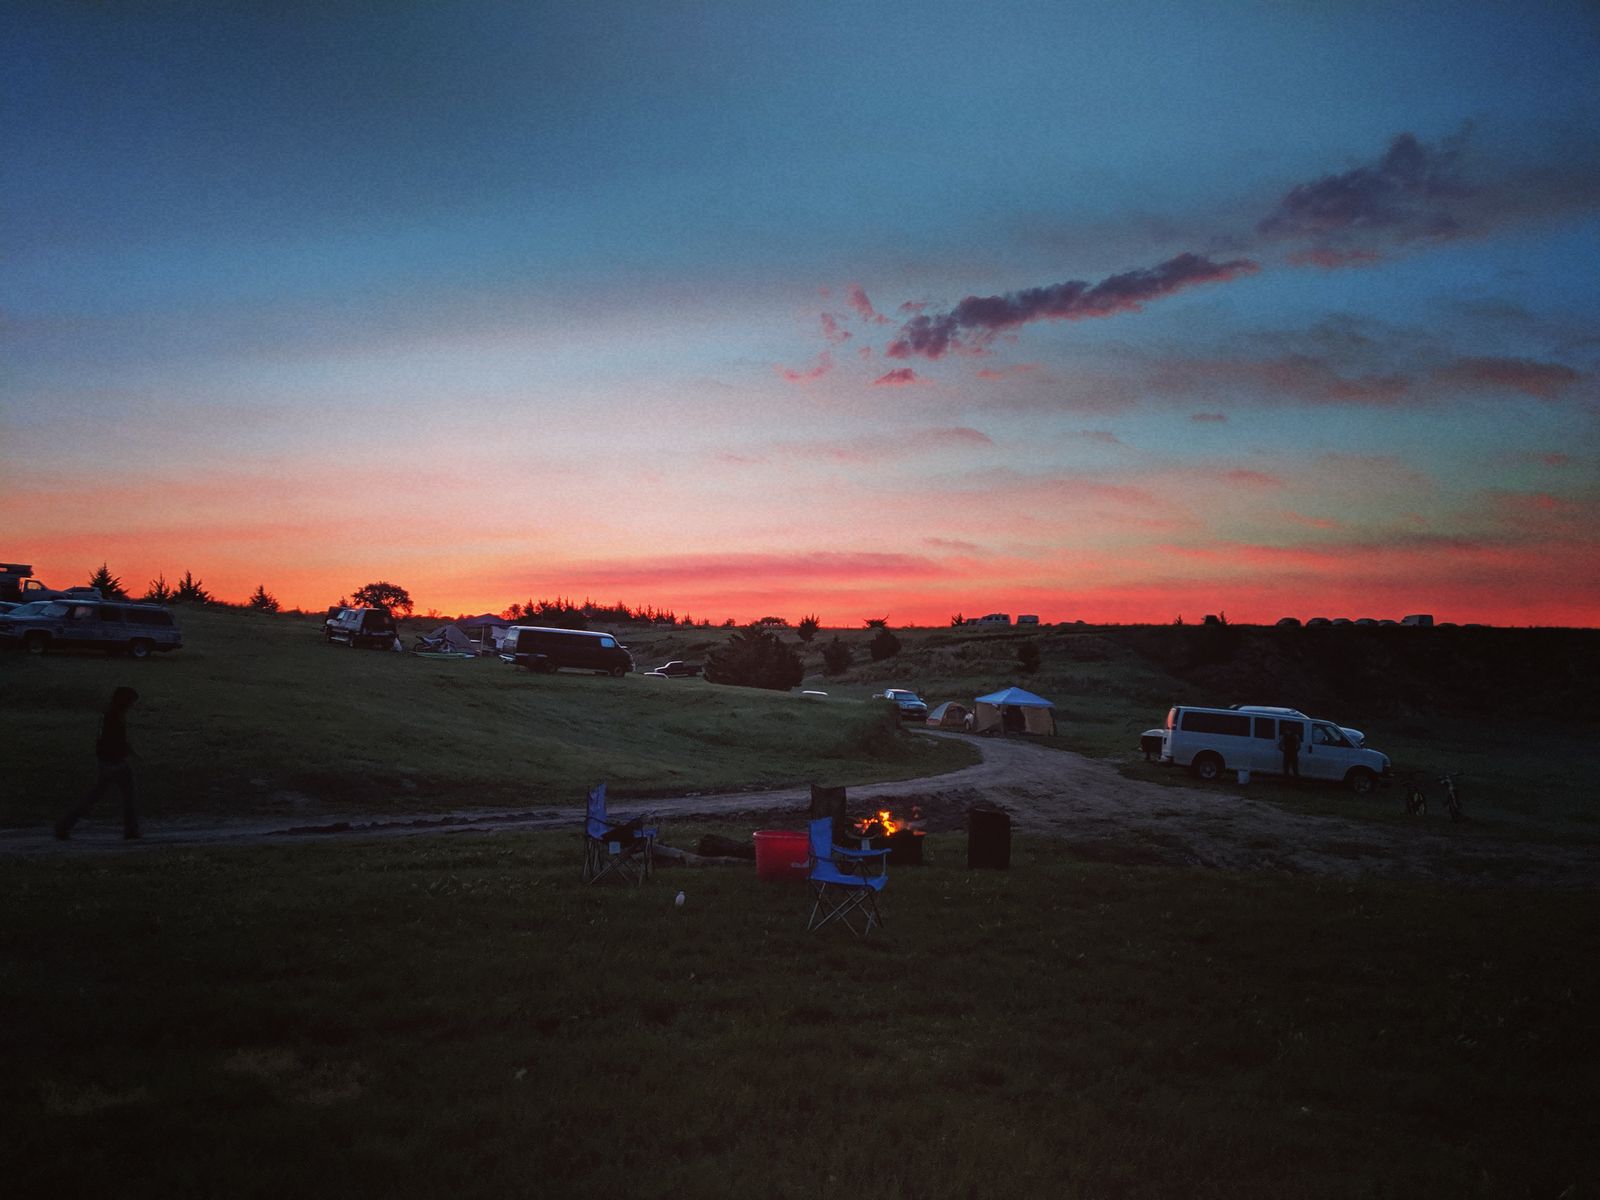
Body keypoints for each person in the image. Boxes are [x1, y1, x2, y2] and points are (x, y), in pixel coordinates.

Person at [55, 686, 142, 840]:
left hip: (106, 761)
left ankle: (64, 825)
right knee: (128, 796)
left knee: (95, 795)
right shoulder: (115, 716)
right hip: (115, 761)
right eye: (131, 701)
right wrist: (124, 753)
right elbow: (114, 740)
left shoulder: (110, 714)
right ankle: (131, 830)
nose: (132, 705)